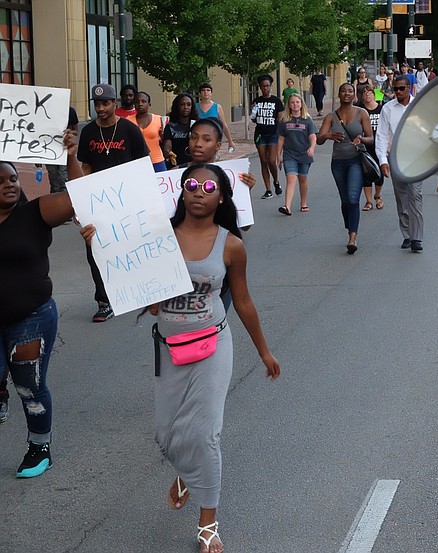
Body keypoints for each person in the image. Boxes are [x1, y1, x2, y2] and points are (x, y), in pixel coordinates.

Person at [83, 163, 279, 553]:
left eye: (208, 186)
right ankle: (187, 474)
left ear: (221, 196)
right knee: (168, 436)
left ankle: (208, 522)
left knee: (205, 434)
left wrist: (264, 351)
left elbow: (242, 301)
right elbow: (141, 295)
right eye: (191, 184)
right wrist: (99, 245)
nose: (198, 191)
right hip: (169, 349)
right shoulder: (160, 238)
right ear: (181, 192)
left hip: (212, 345)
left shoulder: (230, 245)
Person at [1, 145, 81, 477]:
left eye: (13, 178)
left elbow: (81, 197)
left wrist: (71, 155)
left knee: (29, 386)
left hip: (30, 318)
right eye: (0, 180)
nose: (9, 183)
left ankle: (39, 447)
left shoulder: (37, 212)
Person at [74, 83, 149, 322]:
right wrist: (79, 200)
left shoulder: (129, 129)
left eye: (105, 103)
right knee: (94, 249)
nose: (101, 108)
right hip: (97, 200)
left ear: (114, 104)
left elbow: (143, 164)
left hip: (125, 200)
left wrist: (143, 197)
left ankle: (131, 289)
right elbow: (85, 166)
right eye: (97, 104)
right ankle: (104, 300)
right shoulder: (88, 132)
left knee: (127, 246)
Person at [317, 83, 373, 254]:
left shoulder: (361, 113)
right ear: (339, 94)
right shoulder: (330, 117)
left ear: (354, 95)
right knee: (345, 200)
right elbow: (319, 139)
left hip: (356, 160)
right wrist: (328, 135)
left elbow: (371, 137)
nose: (347, 94)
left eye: (350, 91)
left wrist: (362, 140)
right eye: (343, 91)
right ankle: (350, 225)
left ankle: (352, 237)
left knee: (353, 198)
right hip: (338, 163)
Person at [375, 75, 424, 252]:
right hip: (396, 157)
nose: (398, 92)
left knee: (415, 196)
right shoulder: (388, 109)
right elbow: (381, 136)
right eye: (395, 89)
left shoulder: (419, 106)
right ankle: (408, 235)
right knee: (402, 198)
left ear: (409, 88)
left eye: (401, 88)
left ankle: (417, 237)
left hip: (415, 158)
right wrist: (382, 160)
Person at [276, 93, 317, 216]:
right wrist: (278, 155)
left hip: (304, 154)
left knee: (303, 179)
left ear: (301, 104)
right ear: (289, 104)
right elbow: (281, 139)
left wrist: (312, 147)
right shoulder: (285, 120)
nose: (295, 104)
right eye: (292, 102)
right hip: (290, 154)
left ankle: (303, 203)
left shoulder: (307, 119)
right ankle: (287, 206)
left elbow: (313, 135)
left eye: (297, 102)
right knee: (291, 178)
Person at [250, 74, 284, 199]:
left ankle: (276, 181)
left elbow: (280, 118)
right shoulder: (257, 101)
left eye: (268, 86)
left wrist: (282, 133)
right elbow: (254, 120)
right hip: (260, 134)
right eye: (263, 86)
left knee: (271, 160)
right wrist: (253, 111)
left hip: (273, 134)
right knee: (263, 161)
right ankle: (268, 189)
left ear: (270, 86)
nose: (266, 88)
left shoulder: (276, 101)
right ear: (260, 87)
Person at [127, 91, 168, 172]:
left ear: (149, 104)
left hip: (156, 160)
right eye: (137, 102)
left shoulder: (158, 119)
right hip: (136, 161)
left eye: (144, 101)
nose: (140, 104)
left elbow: (165, 139)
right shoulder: (128, 120)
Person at [359, 86, 384, 211]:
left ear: (374, 95)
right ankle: (368, 201)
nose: (367, 95)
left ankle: (378, 196)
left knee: (379, 172)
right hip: (365, 146)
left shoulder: (382, 109)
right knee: (366, 173)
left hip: (379, 145)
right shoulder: (360, 110)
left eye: (369, 93)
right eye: (365, 93)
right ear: (362, 97)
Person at [45, 107, 79, 193]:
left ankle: (65, 198)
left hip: (64, 148)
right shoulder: (46, 110)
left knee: (63, 177)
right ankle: (55, 200)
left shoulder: (70, 110)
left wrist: (69, 132)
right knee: (53, 178)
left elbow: (76, 131)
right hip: (50, 148)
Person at [197, 82, 236, 152]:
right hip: (199, 139)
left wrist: (230, 140)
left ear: (211, 93)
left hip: (213, 138)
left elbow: (224, 125)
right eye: (203, 90)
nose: (205, 92)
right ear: (200, 93)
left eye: (208, 90)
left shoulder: (217, 107)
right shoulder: (195, 107)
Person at [163, 93, 199, 169]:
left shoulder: (197, 125)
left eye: (189, 105)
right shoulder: (170, 126)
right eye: (182, 104)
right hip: (175, 164)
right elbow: (167, 144)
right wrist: (167, 151)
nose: (186, 107)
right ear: (177, 106)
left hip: (194, 163)